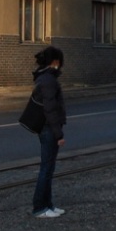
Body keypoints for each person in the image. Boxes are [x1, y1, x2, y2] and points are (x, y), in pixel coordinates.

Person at [31, 45, 67, 219]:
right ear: (55, 62)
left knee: (49, 168)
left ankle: (48, 205)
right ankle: (40, 207)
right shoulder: (49, 81)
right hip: (48, 128)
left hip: (47, 127)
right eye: (58, 62)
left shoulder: (43, 78)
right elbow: (50, 109)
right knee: (46, 169)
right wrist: (58, 133)